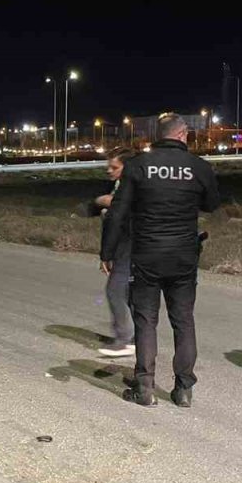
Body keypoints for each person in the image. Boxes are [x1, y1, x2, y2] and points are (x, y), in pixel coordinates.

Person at [101, 114, 219, 407]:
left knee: (146, 322)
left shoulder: (139, 166)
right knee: (183, 321)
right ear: (184, 134)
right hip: (183, 257)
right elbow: (212, 203)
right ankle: (183, 389)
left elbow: (117, 212)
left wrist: (107, 252)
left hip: (147, 256)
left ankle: (144, 387)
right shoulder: (199, 167)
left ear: (159, 135)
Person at [94, 147, 137, 357]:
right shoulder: (119, 185)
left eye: (114, 167)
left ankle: (124, 339)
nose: (109, 171)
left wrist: (104, 202)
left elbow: (120, 210)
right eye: (108, 167)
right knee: (130, 293)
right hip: (128, 245)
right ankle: (139, 338)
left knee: (114, 290)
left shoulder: (129, 189)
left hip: (128, 245)